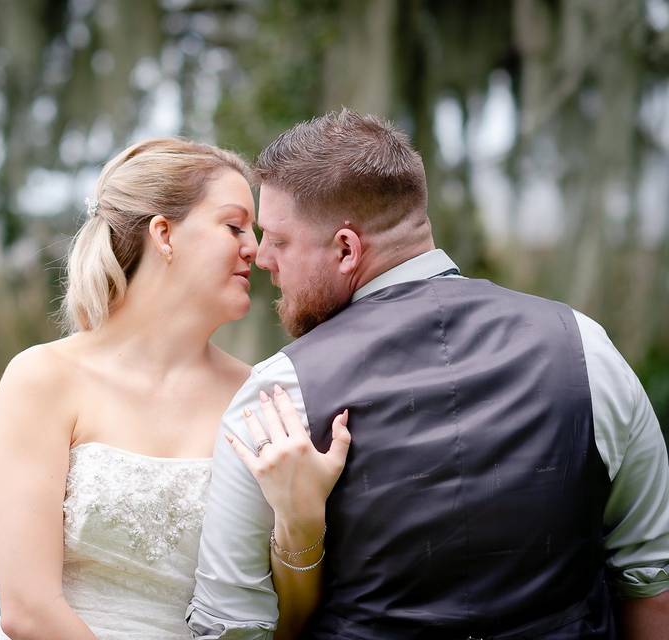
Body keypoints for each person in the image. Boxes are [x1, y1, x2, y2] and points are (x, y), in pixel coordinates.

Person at [187, 109, 669, 639]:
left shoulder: (278, 395)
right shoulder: (584, 347)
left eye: (278, 240)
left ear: (346, 249)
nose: (263, 261)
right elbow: (653, 584)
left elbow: (230, 627)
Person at [0, 137, 352, 640]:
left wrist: (302, 521)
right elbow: (28, 608)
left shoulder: (262, 396)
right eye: (234, 226)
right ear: (164, 234)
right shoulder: (43, 380)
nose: (257, 251)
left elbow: (290, 622)